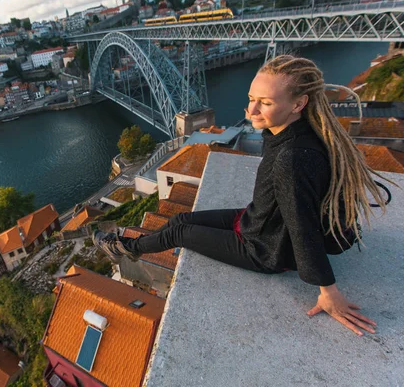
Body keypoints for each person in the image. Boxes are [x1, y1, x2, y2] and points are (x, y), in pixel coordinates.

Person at [93, 55, 392, 336]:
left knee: (180, 231)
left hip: (265, 249)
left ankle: (124, 248)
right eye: (251, 99)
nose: (251, 111)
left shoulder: (293, 157)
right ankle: (128, 245)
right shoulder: (296, 131)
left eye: (265, 102)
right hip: (258, 222)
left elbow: (302, 227)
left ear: (299, 103)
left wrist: (329, 291)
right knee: (181, 217)